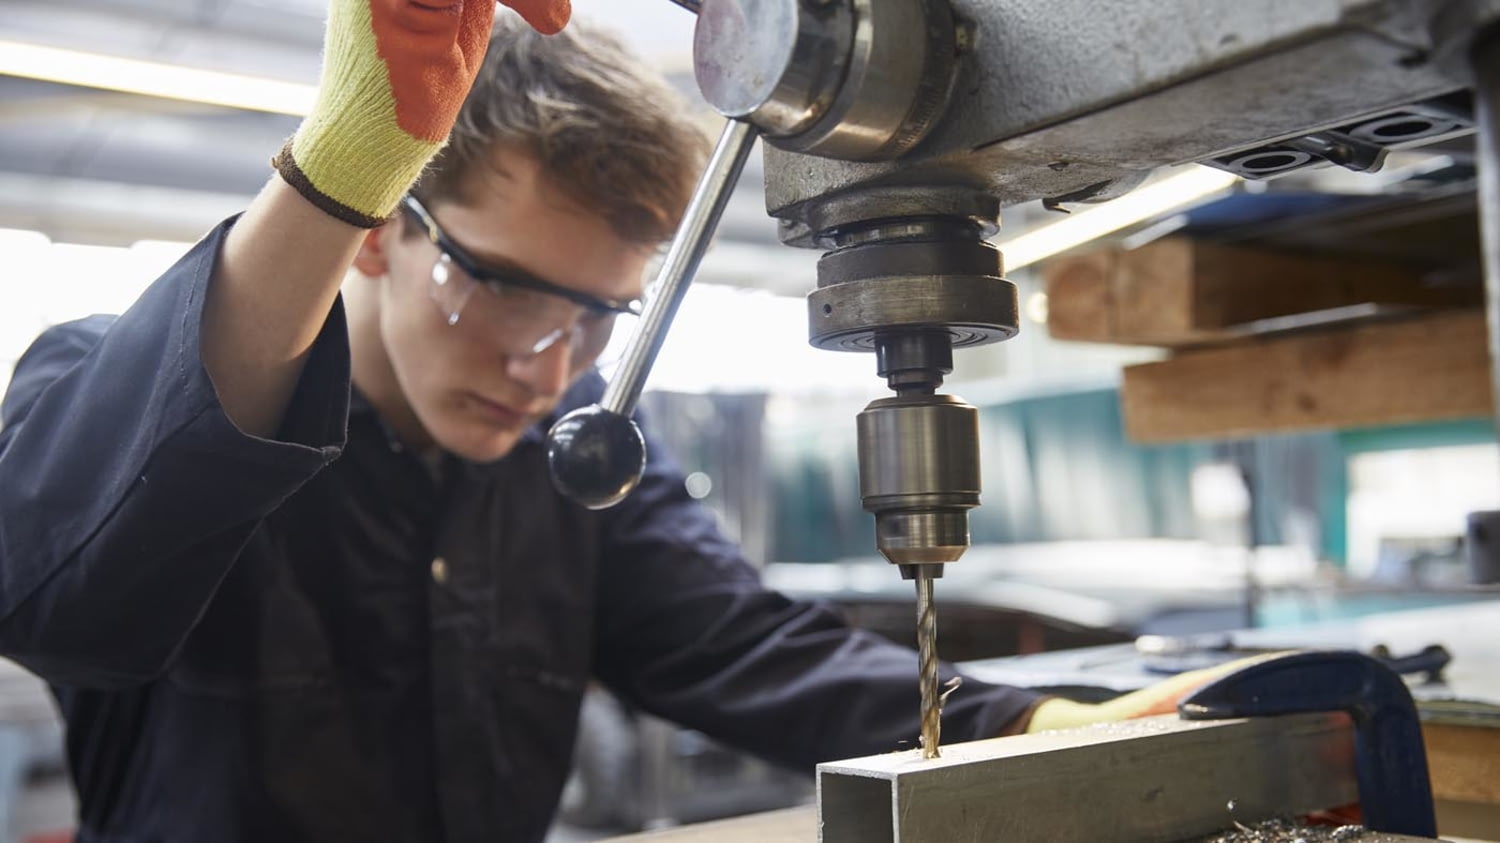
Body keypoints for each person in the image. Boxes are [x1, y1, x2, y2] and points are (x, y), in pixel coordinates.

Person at [0, 2, 1247, 841]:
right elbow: (58, 600)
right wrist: (340, 165)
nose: (553, 364)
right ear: (381, 230)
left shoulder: (574, 460)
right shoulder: (112, 386)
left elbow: (745, 651)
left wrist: (1030, 722)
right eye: (502, 290)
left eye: (601, 317)